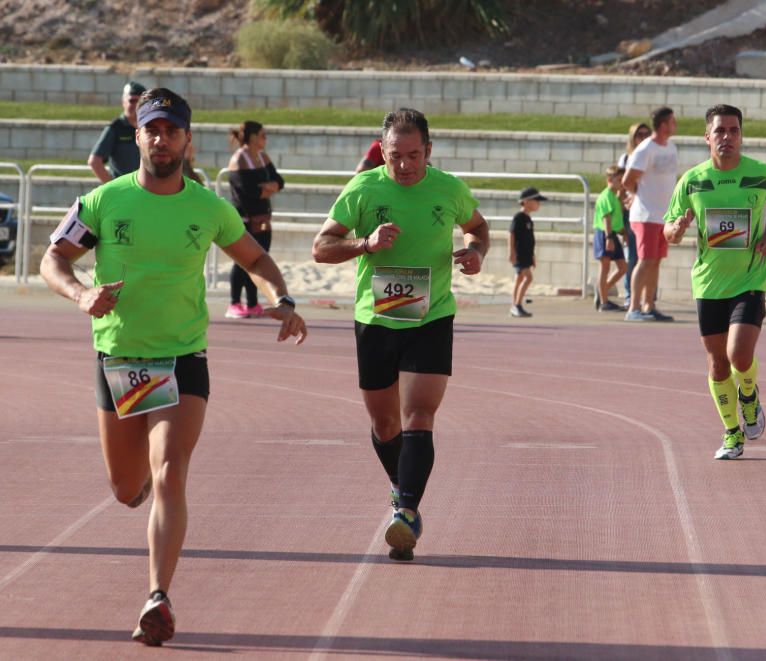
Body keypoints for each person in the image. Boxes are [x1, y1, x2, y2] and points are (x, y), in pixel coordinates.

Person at [39, 88, 308, 646]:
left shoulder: (207, 207)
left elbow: (255, 257)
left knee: (170, 472)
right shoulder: (104, 202)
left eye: (172, 131)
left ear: (188, 139)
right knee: (125, 485)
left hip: (183, 358)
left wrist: (280, 297)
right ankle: (136, 493)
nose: (161, 140)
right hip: (119, 358)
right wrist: (81, 293)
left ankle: (157, 596)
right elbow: (54, 258)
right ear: (136, 135)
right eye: (151, 129)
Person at [311, 108, 489, 561]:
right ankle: (401, 488)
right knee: (384, 423)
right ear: (382, 152)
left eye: (414, 155)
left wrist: (474, 252)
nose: (406, 165)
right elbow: (321, 247)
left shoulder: (448, 189)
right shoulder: (364, 189)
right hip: (377, 318)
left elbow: (478, 228)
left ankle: (406, 512)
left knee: (418, 416)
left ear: (429, 151)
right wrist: (365, 244)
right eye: (396, 157)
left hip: (431, 316)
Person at [664, 104, 766, 460]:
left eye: (733, 131)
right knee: (718, 364)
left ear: (741, 136)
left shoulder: (761, 175)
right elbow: (669, 228)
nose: (727, 138)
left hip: (749, 279)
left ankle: (749, 396)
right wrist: (676, 229)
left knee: (739, 354)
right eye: (720, 131)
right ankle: (731, 433)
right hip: (708, 283)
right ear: (707, 137)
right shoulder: (692, 180)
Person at [622, 107, 678, 322]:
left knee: (655, 261)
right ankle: (633, 307)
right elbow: (628, 180)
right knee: (645, 261)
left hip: (664, 216)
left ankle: (649, 305)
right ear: (663, 125)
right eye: (672, 121)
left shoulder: (671, 147)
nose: (675, 125)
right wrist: (637, 196)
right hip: (645, 214)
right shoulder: (646, 149)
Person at [225, 121, 285, 318]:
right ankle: (234, 303)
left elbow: (279, 181)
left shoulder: (261, 156)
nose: (265, 139)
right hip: (245, 219)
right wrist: (268, 188)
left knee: (259, 259)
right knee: (242, 262)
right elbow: (248, 191)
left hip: (263, 218)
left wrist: (268, 187)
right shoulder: (239, 159)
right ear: (252, 137)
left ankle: (252, 303)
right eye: (262, 135)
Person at [617, 122, 651, 308]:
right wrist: (632, 197)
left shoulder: (652, 154)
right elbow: (622, 184)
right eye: (639, 134)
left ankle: (647, 297)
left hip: (649, 210)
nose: (643, 137)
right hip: (633, 211)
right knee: (634, 256)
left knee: (649, 258)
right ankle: (631, 296)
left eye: (647, 134)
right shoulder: (627, 158)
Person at [88, 81, 146, 183]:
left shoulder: (149, 127)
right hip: (124, 190)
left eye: (139, 102)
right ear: (123, 101)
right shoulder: (115, 128)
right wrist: (113, 187)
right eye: (132, 101)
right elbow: (94, 161)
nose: (136, 106)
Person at [593, 165, 628, 311]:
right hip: (605, 233)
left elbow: (616, 219)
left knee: (622, 267)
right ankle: (604, 301)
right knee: (605, 266)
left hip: (613, 234)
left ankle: (602, 291)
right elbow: (606, 218)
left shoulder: (615, 196)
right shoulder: (606, 196)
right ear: (610, 180)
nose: (622, 183)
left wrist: (623, 233)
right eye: (619, 180)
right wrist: (608, 238)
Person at [509, 187, 546, 317]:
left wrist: (532, 256)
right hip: (519, 254)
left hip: (526, 254)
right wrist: (511, 252)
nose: (538, 204)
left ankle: (514, 305)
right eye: (536, 201)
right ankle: (517, 305)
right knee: (528, 278)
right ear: (526, 201)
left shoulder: (528, 219)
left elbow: (530, 239)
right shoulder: (519, 217)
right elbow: (512, 234)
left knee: (519, 278)